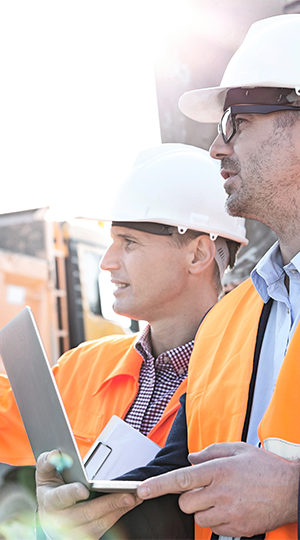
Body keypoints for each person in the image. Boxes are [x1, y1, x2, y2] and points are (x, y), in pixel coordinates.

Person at [36, 13, 300, 540]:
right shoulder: (231, 322)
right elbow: (172, 484)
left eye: (237, 123)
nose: (216, 148)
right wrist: (83, 507)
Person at [0, 144, 246, 534]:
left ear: (197, 254)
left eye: (129, 242)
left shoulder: (251, 374)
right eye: (112, 240)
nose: (107, 261)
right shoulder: (85, 366)